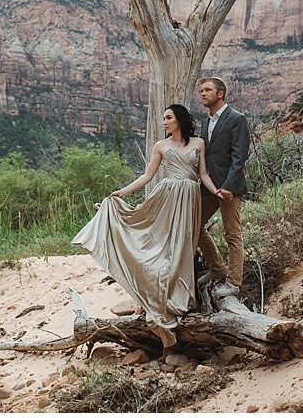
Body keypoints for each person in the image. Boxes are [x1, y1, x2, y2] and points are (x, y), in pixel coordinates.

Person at [73, 104, 224, 348]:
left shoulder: (199, 143)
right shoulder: (160, 146)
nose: (164, 121)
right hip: (167, 196)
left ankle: (187, 287)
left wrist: (216, 191)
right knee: (162, 241)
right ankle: (158, 289)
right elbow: (147, 176)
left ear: (180, 119)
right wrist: (122, 191)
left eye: (168, 117)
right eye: (163, 118)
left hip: (190, 196)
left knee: (186, 241)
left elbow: (203, 173)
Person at [194, 77, 249, 291]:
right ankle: (217, 267)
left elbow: (239, 157)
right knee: (195, 226)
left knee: (232, 234)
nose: (203, 94)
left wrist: (228, 186)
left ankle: (234, 282)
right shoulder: (207, 121)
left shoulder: (237, 119)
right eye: (201, 90)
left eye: (207, 90)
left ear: (220, 94)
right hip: (209, 188)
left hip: (229, 189)